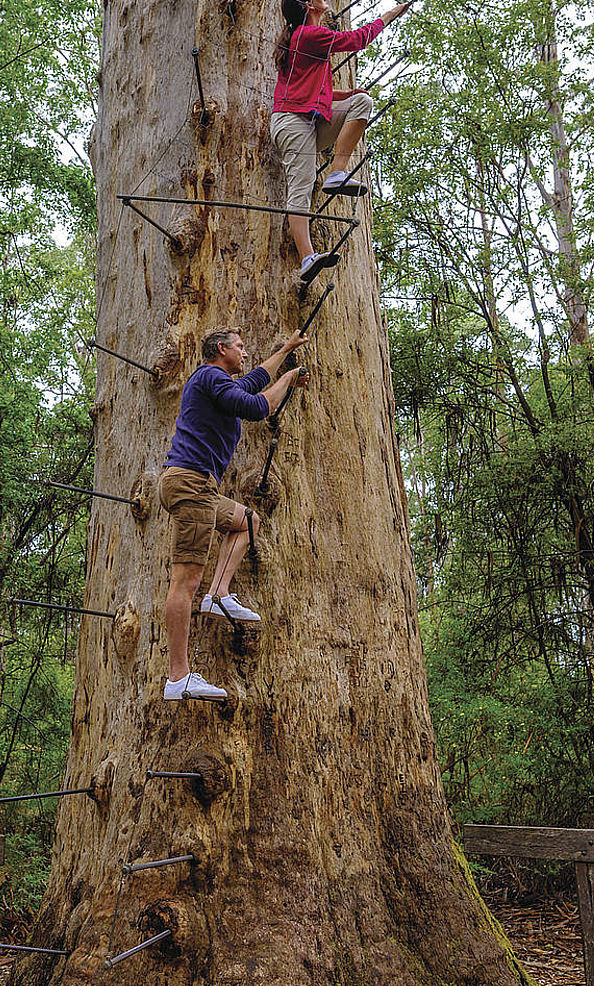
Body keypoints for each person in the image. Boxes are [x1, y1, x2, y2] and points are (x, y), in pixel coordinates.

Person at [159, 327, 310, 701]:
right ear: (221, 349)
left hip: (202, 488)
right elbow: (259, 406)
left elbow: (257, 378)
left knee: (247, 522)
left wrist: (285, 350)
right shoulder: (210, 376)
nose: (245, 353)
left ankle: (219, 594)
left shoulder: (219, 383)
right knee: (185, 581)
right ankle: (178, 677)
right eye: (240, 347)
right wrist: (289, 378)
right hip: (190, 483)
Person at [271, 0, 412, 285]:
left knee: (360, 102)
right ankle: (307, 256)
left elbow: (307, 88)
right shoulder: (309, 35)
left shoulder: (301, 38)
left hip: (310, 119)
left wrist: (344, 93)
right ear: (310, 5)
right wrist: (390, 15)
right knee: (301, 185)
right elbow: (357, 39)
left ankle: (337, 172)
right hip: (292, 122)